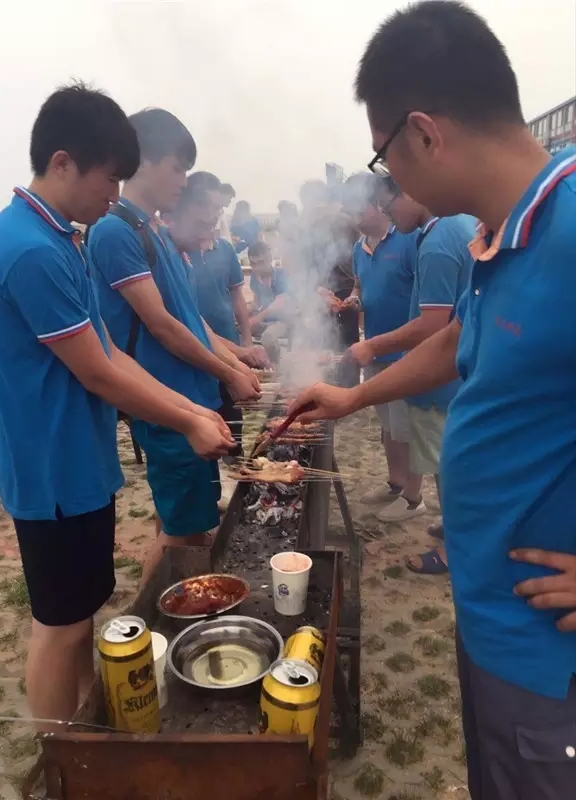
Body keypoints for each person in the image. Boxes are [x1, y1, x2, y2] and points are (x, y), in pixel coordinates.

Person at [290, 3, 576, 798]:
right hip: (493, 614)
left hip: (551, 652)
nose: (389, 179)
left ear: (423, 132)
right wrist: (352, 401)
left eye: (383, 156)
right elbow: (460, 339)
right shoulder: (506, 228)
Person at [0, 84, 233, 729]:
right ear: (62, 162)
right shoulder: (30, 249)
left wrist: (197, 412)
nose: (113, 196)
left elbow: (112, 355)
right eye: (107, 179)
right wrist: (189, 417)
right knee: (59, 627)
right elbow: (100, 372)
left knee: (81, 615)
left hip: (77, 464)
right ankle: (60, 759)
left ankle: (89, 737)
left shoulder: (59, 238)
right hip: (51, 469)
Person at [88, 108, 259, 586]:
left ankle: (178, 611)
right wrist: (227, 373)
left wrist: (233, 360)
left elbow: (192, 318)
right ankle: (150, 624)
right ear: (142, 161)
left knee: (186, 524)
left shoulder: (154, 232)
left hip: (194, 399)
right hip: (168, 404)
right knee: (182, 536)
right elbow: (162, 326)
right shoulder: (114, 232)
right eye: (178, 166)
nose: (184, 179)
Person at [348, 172, 475, 560]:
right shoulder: (454, 226)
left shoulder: (437, 242)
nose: (388, 213)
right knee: (446, 459)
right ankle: (454, 528)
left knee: (448, 467)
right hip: (457, 372)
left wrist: (373, 345)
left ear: (412, 191)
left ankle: (455, 548)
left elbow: (434, 325)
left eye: (389, 204)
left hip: (444, 377)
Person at [165, 172, 268, 459]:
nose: (210, 227)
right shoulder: (165, 254)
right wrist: (231, 367)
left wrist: (238, 355)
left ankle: (232, 466)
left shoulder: (202, 253)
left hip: (215, 356)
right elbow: (174, 327)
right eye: (203, 220)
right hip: (182, 387)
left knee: (228, 427)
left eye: (216, 217)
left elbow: (197, 322)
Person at [341, 172, 421, 510]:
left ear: (378, 204)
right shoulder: (359, 248)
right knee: (388, 426)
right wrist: (353, 300)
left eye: (357, 205)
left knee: (408, 428)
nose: (352, 213)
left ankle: (413, 498)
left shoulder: (409, 239)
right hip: (373, 349)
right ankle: (395, 483)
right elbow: (360, 286)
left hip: (408, 353)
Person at [248, 241, 290, 364]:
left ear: (269, 259)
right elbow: (257, 301)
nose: (257, 268)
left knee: (268, 338)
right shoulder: (254, 277)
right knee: (239, 331)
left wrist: (257, 318)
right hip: (265, 321)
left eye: (261, 263)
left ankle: (276, 366)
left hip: (283, 320)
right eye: (253, 264)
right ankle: (255, 363)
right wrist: (248, 311)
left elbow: (280, 302)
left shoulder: (281, 275)